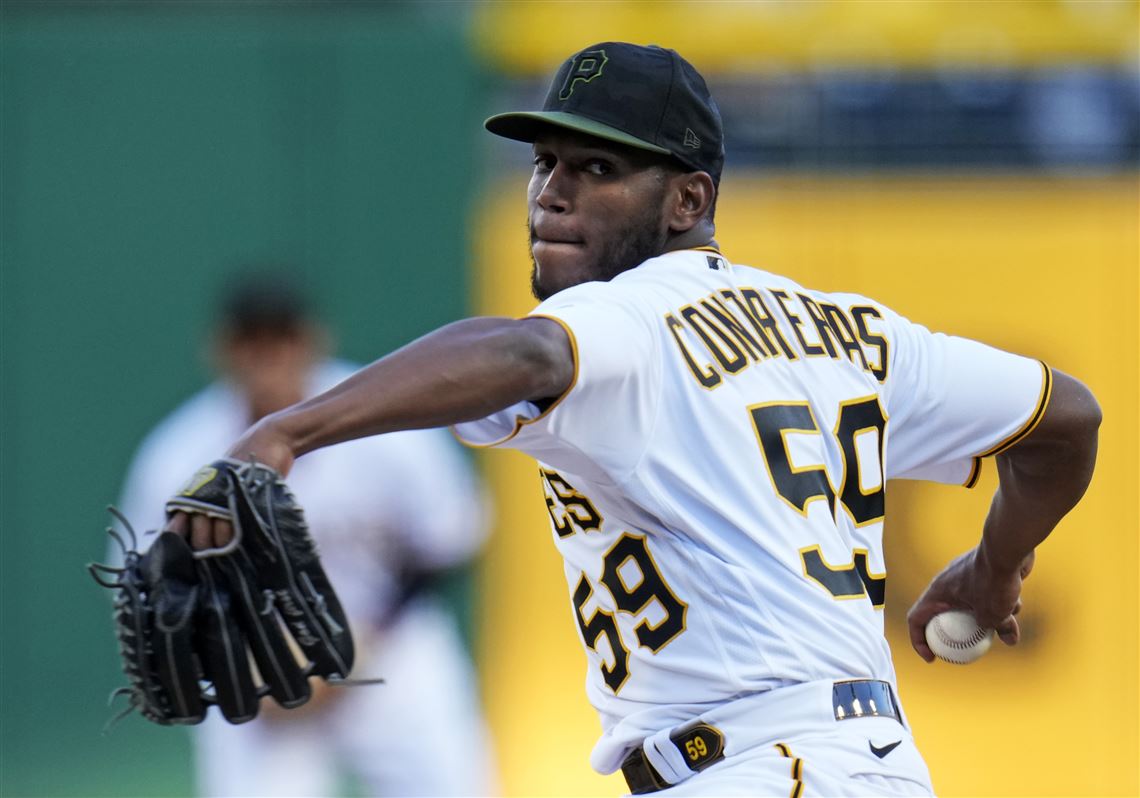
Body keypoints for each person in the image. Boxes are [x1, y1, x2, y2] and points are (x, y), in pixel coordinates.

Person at [165, 44, 1101, 796]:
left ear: (689, 199)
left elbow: (525, 353)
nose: (551, 192)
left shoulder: (632, 311)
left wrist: (282, 433)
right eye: (545, 163)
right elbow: (1067, 417)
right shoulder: (852, 332)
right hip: (838, 762)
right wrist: (993, 568)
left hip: (764, 767)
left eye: (599, 168)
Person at [117, 273, 498, 798]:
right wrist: (238, 658)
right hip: (256, 675)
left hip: (390, 649)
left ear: (313, 339)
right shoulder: (180, 454)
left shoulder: (379, 417)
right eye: (252, 340)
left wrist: (366, 639)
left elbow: (452, 536)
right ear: (221, 349)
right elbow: (159, 587)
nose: (269, 355)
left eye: (283, 337)